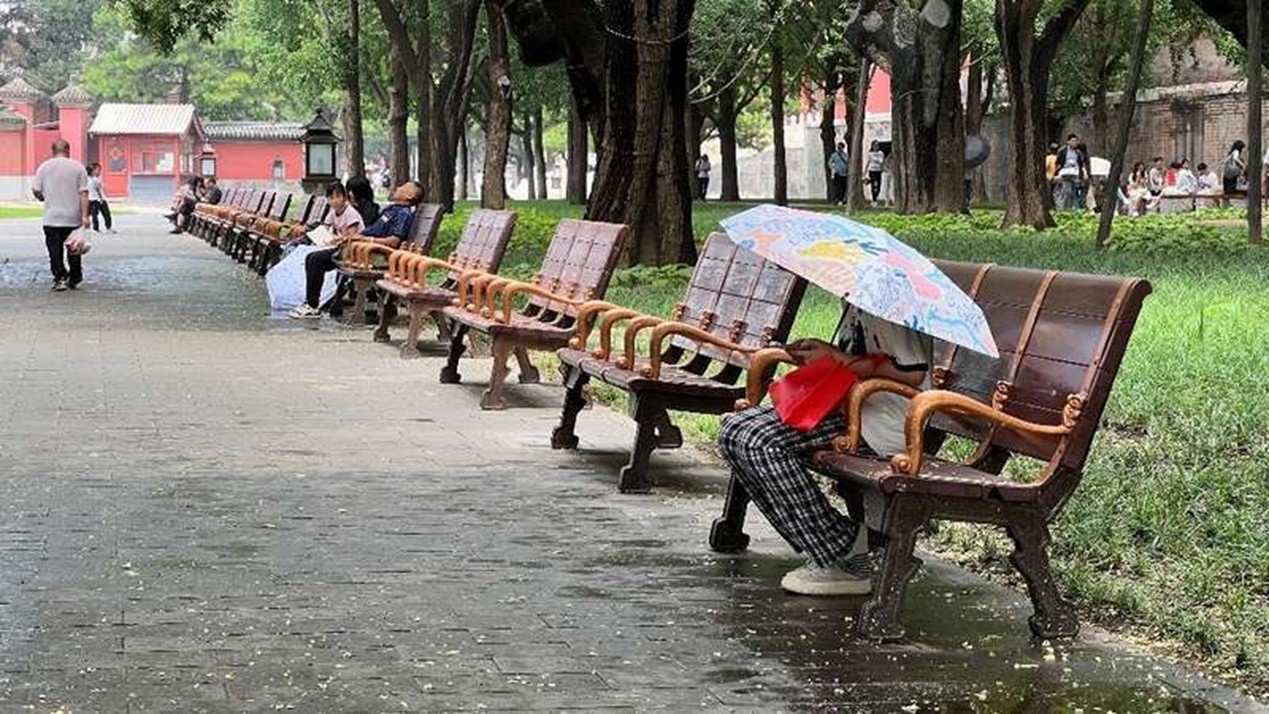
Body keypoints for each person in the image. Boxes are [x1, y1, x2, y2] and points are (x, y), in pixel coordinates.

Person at [719, 304, 933, 595]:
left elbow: (914, 373)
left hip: (879, 422)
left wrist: (836, 358)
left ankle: (843, 551)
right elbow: (861, 357)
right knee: (734, 431)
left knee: (758, 441)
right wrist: (821, 352)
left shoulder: (892, 307)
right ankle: (840, 544)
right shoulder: (858, 300)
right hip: (848, 408)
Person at [289, 180, 423, 320]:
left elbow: (394, 241)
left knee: (316, 259)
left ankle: (312, 306)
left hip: (374, 255)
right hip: (363, 250)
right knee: (312, 258)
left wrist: (366, 241)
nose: (398, 187)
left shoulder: (403, 214)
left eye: (403, 187)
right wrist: (352, 238)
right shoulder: (392, 209)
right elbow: (371, 231)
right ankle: (311, 305)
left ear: (410, 195)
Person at [32, 139, 90, 292]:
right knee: (74, 250)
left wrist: (42, 197)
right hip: (73, 217)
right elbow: (84, 192)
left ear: (53, 150)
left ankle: (59, 278)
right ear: (68, 150)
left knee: (54, 251)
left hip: (51, 217)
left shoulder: (44, 167)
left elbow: (36, 189)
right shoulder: (78, 167)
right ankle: (75, 277)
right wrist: (85, 216)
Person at [1054, 134, 1088, 210]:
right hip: (1065, 171)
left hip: (1075, 172)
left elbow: (1081, 164)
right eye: (1073, 141)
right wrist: (1056, 173)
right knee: (1066, 191)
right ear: (1068, 142)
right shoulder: (1062, 151)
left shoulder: (1078, 152)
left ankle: (1076, 208)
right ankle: (1063, 208)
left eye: (1076, 141)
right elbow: (1058, 163)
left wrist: (1084, 173)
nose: (1075, 143)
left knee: (1075, 191)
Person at [86, 163, 113, 233]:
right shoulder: (95, 180)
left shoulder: (87, 179)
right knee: (103, 214)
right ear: (92, 170)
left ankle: (96, 228)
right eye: (97, 170)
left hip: (91, 199)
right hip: (97, 199)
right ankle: (102, 228)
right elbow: (98, 190)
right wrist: (101, 199)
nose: (99, 171)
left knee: (93, 214)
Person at [865, 141, 885, 206]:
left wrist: (882, 168)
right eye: (875, 145)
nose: (876, 147)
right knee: (874, 185)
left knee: (878, 186)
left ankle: (876, 196)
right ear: (872, 146)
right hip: (872, 170)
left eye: (877, 145)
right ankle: (874, 199)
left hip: (878, 171)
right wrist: (865, 172)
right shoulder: (870, 154)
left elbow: (881, 162)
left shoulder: (881, 153)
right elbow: (868, 163)